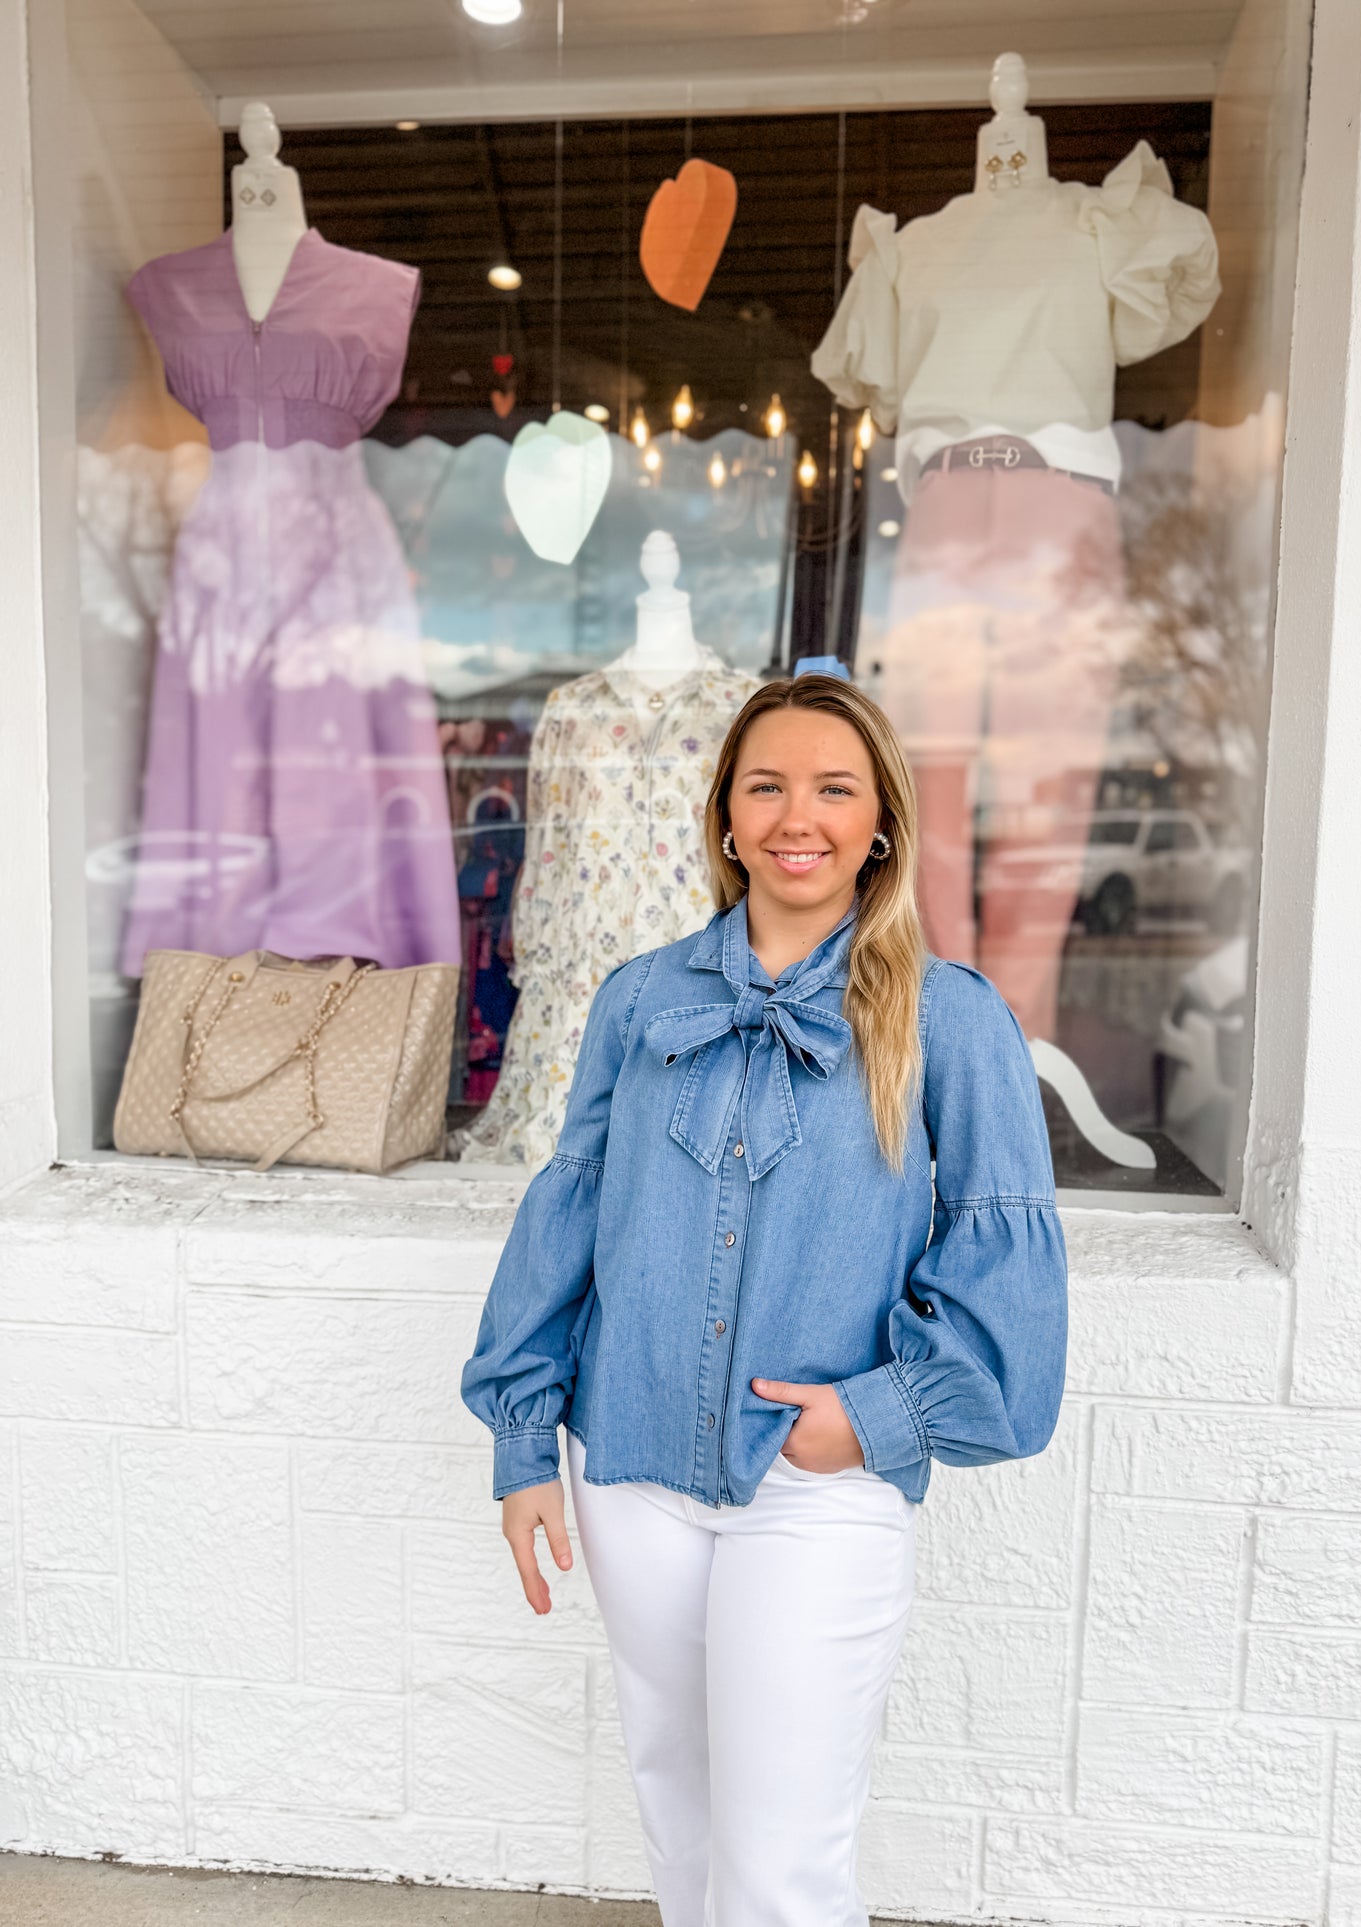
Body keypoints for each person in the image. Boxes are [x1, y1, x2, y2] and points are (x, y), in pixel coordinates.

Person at [460, 673, 1068, 1925]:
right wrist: (526, 1443)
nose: (801, 814)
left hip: (816, 1488)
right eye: (767, 785)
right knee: (682, 1832)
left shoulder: (947, 1019)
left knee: (782, 1861)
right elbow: (570, 1216)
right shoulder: (638, 1000)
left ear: (880, 820)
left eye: (835, 786)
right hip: (627, 1467)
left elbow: (1003, 1267)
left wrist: (877, 1415)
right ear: (726, 820)